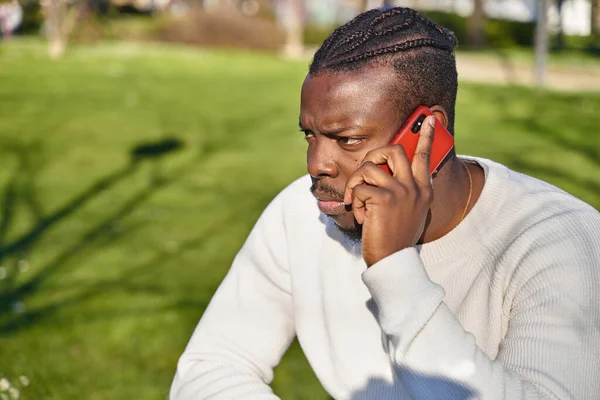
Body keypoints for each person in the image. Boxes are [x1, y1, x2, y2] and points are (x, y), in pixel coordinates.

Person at [170, 7, 600, 399]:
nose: (317, 164)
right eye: (310, 135)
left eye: (348, 139)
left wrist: (394, 267)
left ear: (427, 133)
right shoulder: (298, 215)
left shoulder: (562, 242)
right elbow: (209, 369)